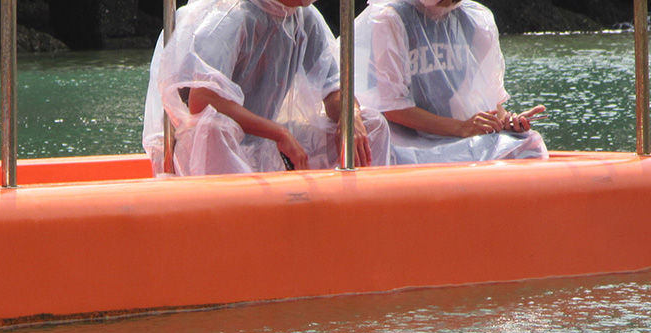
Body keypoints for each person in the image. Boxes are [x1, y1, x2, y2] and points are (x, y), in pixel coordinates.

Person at [142, 0, 391, 176]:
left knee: (371, 123)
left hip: (269, 147)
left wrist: (351, 116)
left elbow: (334, 87)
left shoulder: (305, 17)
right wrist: (278, 133)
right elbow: (203, 101)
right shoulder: (231, 15)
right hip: (209, 151)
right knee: (213, 128)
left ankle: (358, 214)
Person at [354, 0, 548, 164]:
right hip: (402, 142)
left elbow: (491, 101)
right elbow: (394, 108)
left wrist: (506, 121)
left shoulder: (477, 20)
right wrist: (461, 128)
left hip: (458, 135)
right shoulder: (390, 17)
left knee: (529, 142)